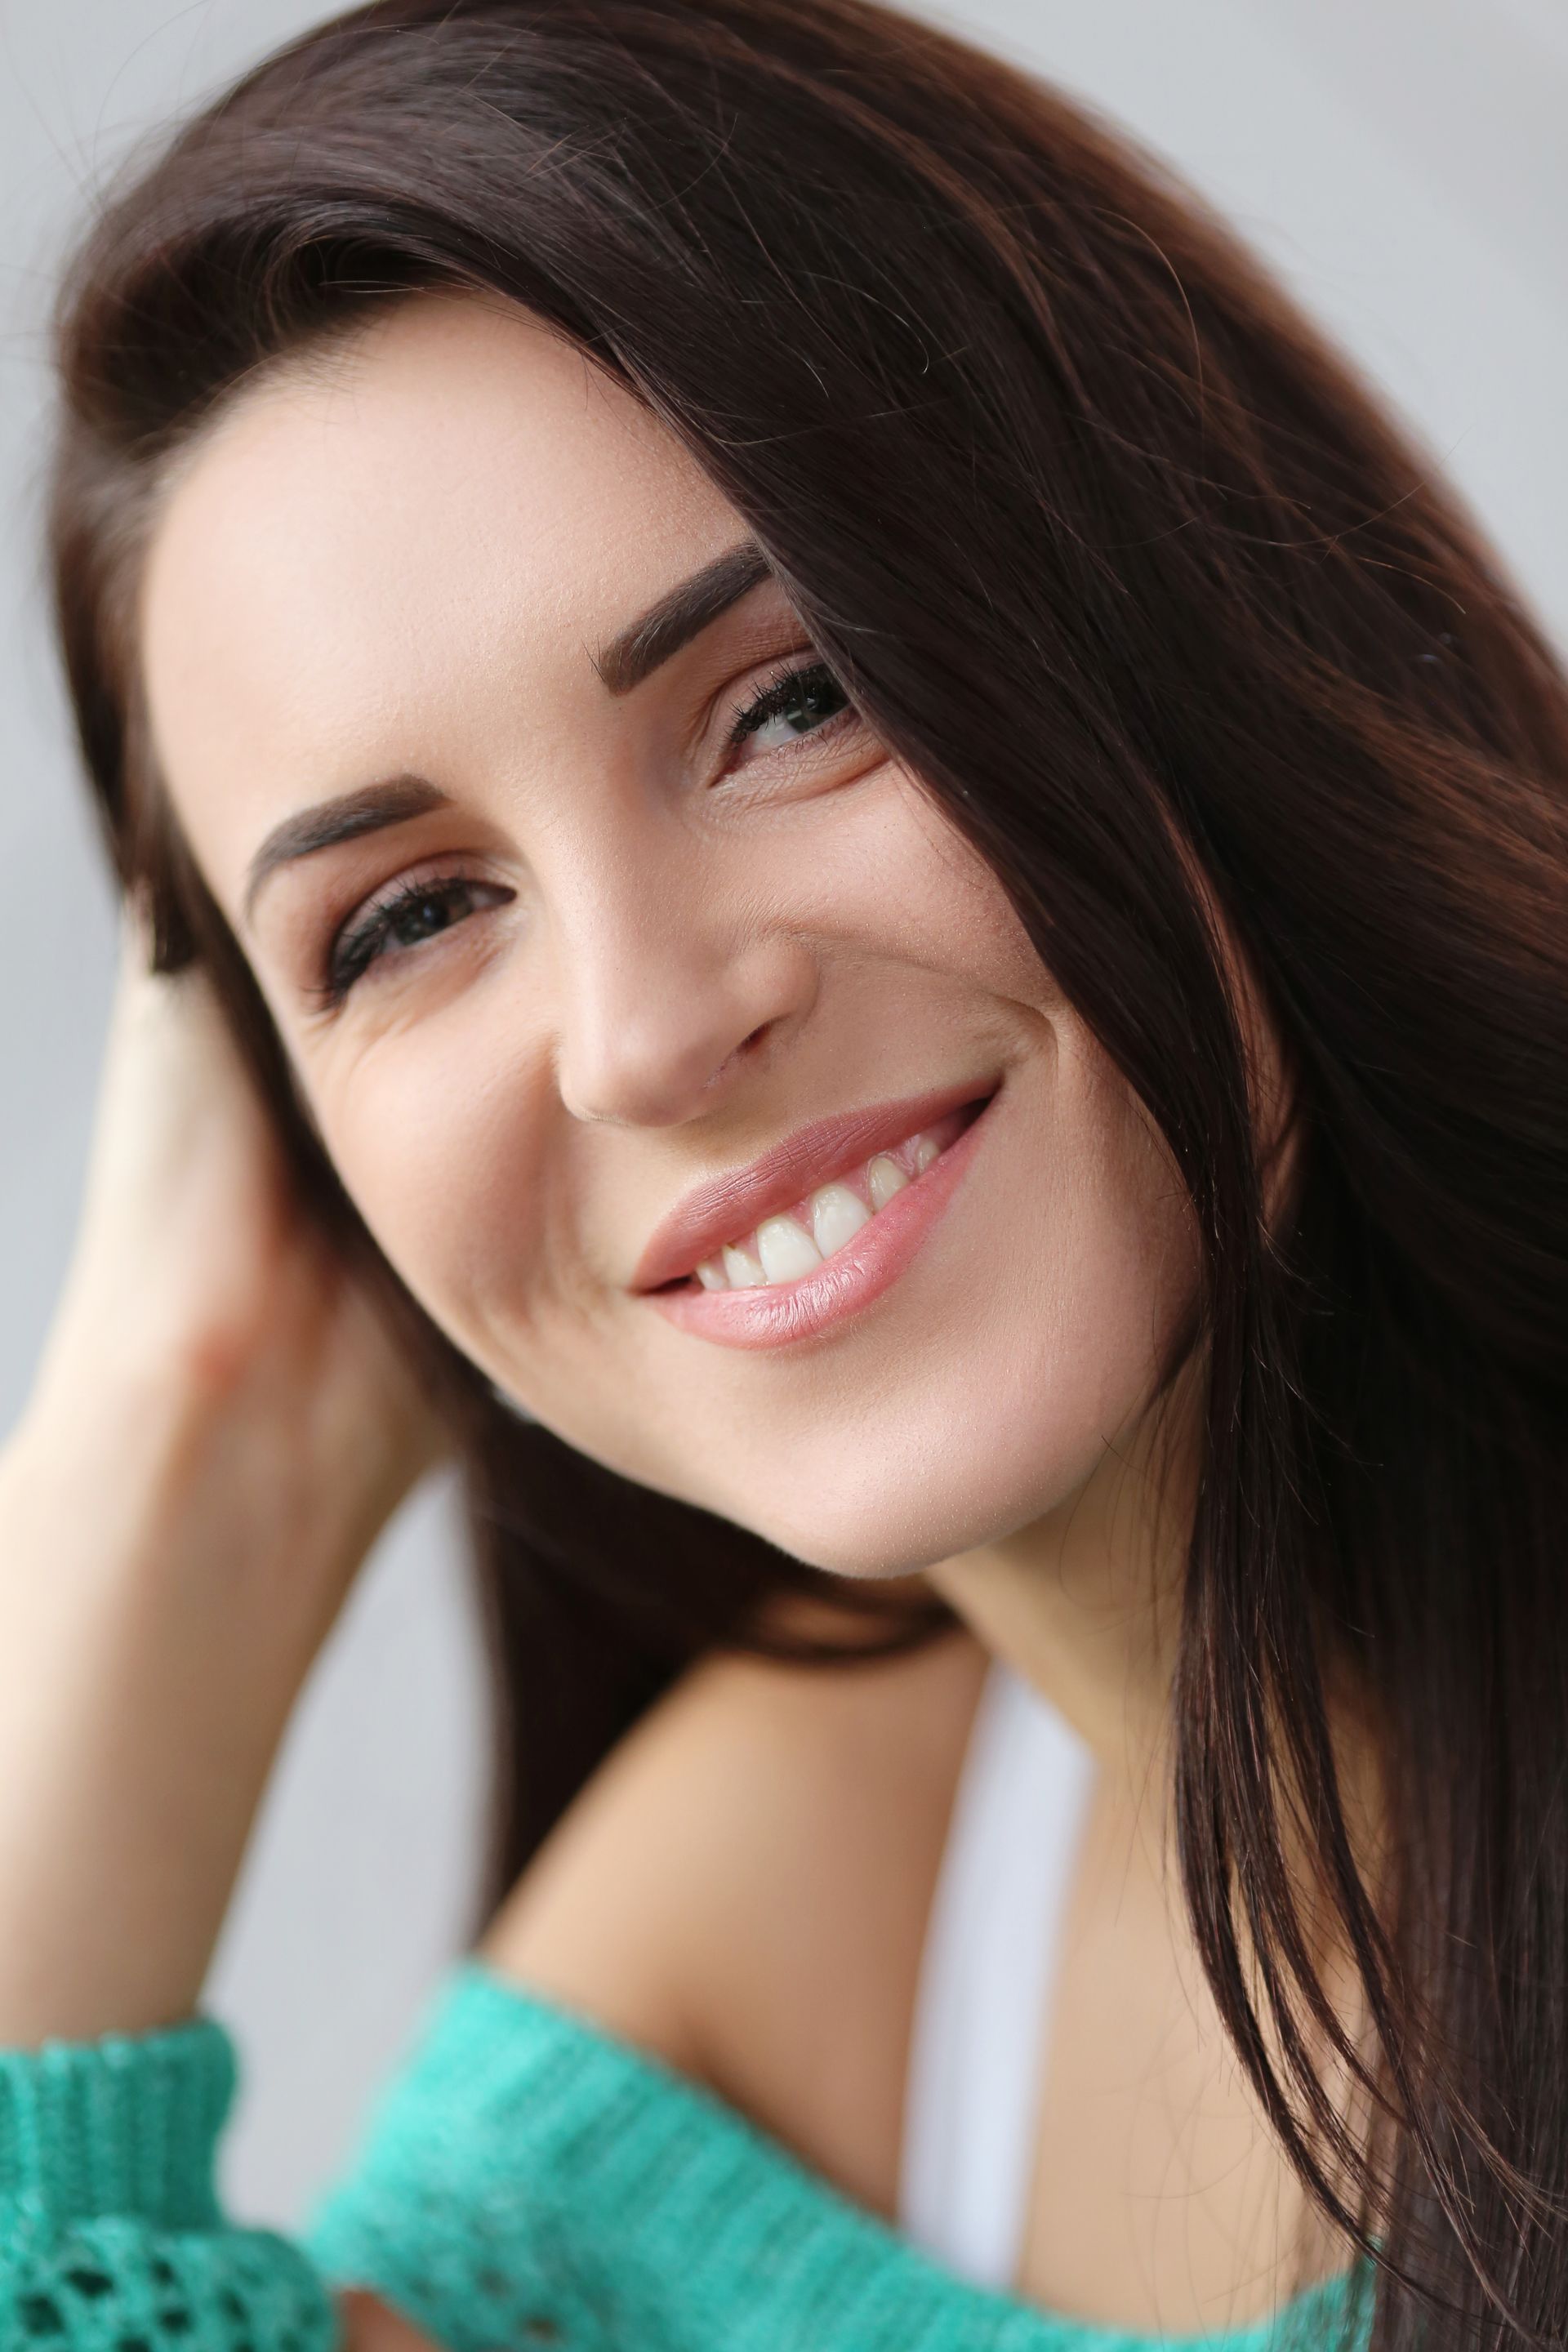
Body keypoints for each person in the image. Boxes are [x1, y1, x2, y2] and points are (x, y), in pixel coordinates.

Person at [1, 0, 1563, 2345]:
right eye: (410, 921)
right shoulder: (800, 1926)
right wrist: (163, 1431)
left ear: (1193, 606)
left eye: (794, 695)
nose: (644, 1033)